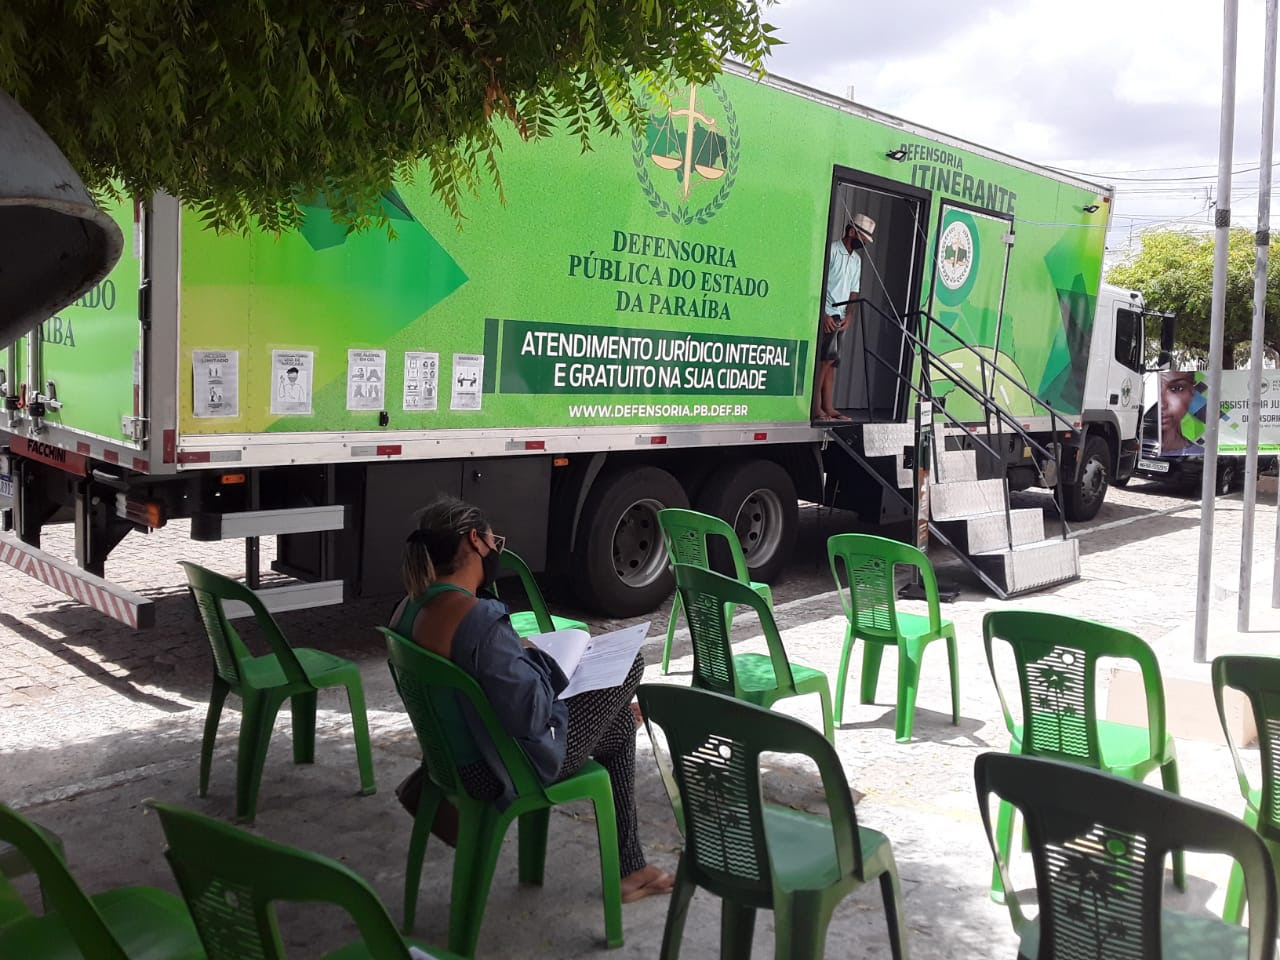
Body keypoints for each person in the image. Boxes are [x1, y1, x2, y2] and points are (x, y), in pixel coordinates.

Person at [390, 496, 674, 903]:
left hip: (449, 757)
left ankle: (631, 868)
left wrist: (516, 655)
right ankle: (625, 722)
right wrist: (541, 660)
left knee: (614, 731)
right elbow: (533, 715)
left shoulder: (408, 607)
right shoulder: (479, 620)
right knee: (631, 664)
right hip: (499, 769)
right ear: (474, 541)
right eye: (494, 543)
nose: (496, 553)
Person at [815, 213, 875, 422]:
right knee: (823, 361)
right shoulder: (831, 250)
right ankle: (815, 408)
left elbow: (853, 291)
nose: (864, 243)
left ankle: (829, 407)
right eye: (863, 238)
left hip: (841, 316)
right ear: (851, 232)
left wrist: (850, 315)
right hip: (828, 314)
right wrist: (822, 314)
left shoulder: (856, 260)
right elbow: (818, 284)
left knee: (832, 363)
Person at [1159, 370, 1202, 456]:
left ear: (1192, 392)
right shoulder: (1134, 450)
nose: (1162, 404)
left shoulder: (1202, 456)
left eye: (1176, 388)